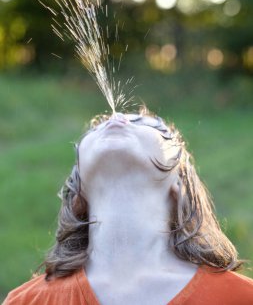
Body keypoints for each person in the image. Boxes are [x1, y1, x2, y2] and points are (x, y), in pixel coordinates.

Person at [3, 108, 253, 304]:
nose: (117, 117)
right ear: (79, 190)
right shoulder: (27, 302)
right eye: (97, 127)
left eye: (146, 125)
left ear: (180, 181)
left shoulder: (241, 298)